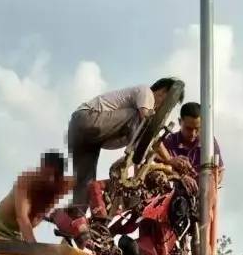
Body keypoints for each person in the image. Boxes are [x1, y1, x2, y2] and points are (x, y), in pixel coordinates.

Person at [65, 78, 181, 212]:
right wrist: (170, 159)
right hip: (87, 118)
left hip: (82, 133)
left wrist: (162, 160)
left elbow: (147, 142)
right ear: (163, 92)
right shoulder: (146, 92)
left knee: (85, 183)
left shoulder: (135, 113)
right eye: (169, 104)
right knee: (140, 120)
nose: (164, 109)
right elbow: (147, 125)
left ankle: (75, 219)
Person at [155, 101, 224, 195]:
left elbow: (220, 171)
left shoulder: (209, 143)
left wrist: (207, 184)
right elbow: (156, 168)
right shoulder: (168, 143)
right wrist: (180, 177)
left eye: (197, 128)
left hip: (203, 200)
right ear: (180, 122)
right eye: (189, 128)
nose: (193, 133)